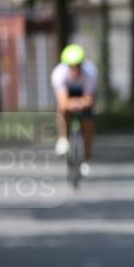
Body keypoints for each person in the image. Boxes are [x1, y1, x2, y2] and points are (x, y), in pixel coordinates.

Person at [52, 44, 97, 176]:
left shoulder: (90, 73)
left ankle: (87, 156)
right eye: (70, 66)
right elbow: (62, 101)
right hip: (68, 93)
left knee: (88, 121)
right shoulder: (58, 74)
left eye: (77, 65)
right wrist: (71, 104)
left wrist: (81, 103)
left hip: (83, 92)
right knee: (62, 111)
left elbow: (88, 100)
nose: (74, 69)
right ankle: (62, 139)